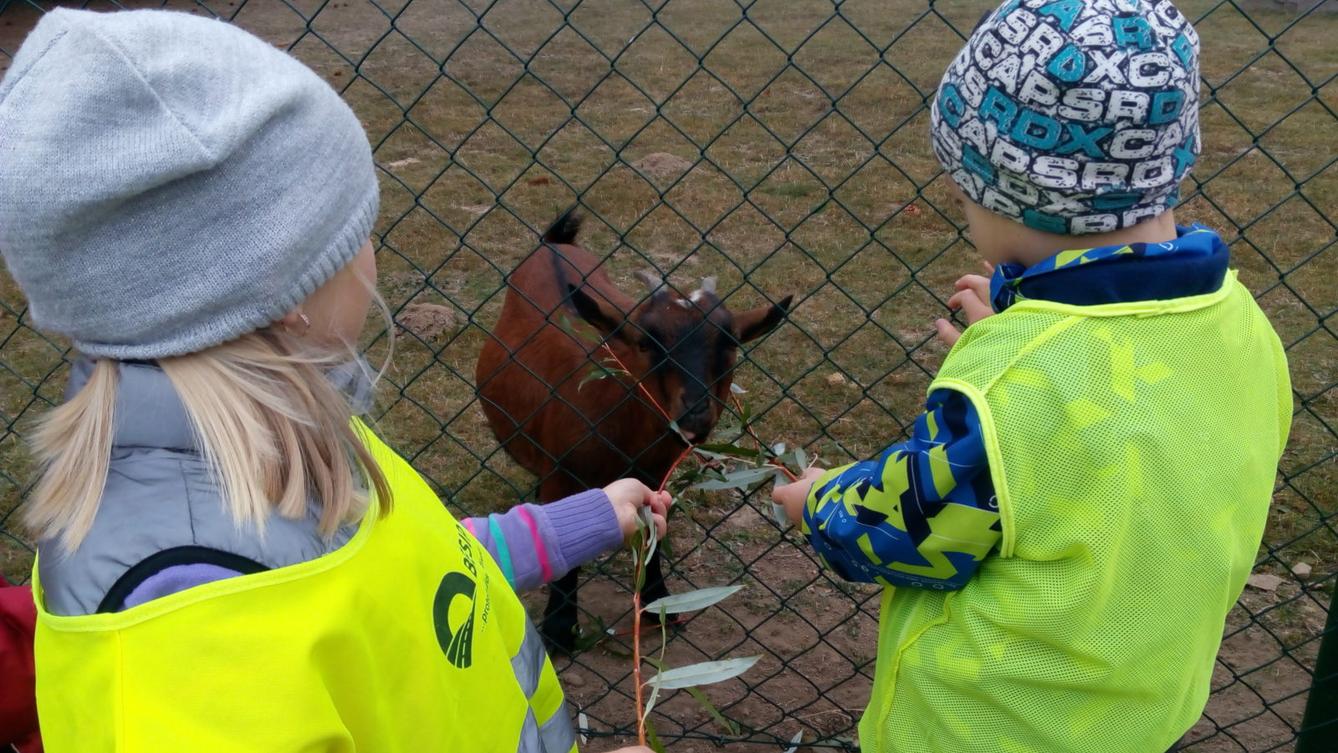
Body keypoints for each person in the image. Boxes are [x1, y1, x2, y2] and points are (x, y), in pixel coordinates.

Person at [0, 8, 664, 753]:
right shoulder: (187, 608)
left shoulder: (291, 438)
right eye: (356, 232)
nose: (372, 256)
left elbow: (415, 574)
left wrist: (585, 518)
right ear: (287, 296)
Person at [772, 2, 1291, 752]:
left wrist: (817, 498)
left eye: (964, 194)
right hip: (1140, 712)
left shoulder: (1015, 387)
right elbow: (1122, 404)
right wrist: (1018, 331)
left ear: (1015, 192)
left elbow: (901, 530)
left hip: (990, 728)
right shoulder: (1241, 322)